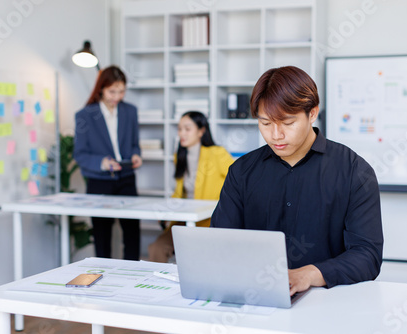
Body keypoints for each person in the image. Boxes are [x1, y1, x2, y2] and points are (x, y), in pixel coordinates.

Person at [211, 66, 384, 295]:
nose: (276, 134)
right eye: (265, 123)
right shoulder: (242, 172)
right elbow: (220, 242)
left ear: (312, 113)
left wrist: (311, 274)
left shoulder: (354, 171)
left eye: (288, 123)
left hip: (329, 303)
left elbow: (367, 255)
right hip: (255, 296)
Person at [74, 65, 142, 260]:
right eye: (112, 91)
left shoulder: (130, 111)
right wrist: (103, 162)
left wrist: (136, 155)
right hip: (99, 181)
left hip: (127, 178)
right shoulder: (85, 115)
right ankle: (102, 278)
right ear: (101, 88)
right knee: (102, 233)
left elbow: (135, 144)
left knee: (131, 232)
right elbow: (80, 154)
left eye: (121, 91)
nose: (117, 97)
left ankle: (133, 276)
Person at [148, 111, 234, 263]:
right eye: (180, 129)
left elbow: (237, 183)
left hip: (209, 222)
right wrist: (166, 211)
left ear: (201, 131)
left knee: (199, 256)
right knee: (157, 247)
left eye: (187, 129)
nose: (182, 133)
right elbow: (179, 193)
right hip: (183, 221)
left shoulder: (217, 153)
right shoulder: (179, 156)